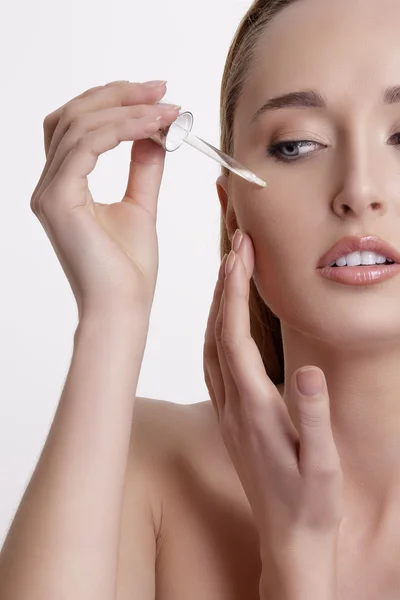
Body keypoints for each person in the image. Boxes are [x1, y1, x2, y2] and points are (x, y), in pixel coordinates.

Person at [1, 0, 400, 597]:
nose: (360, 190)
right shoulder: (141, 468)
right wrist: (112, 313)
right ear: (232, 207)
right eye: (296, 145)